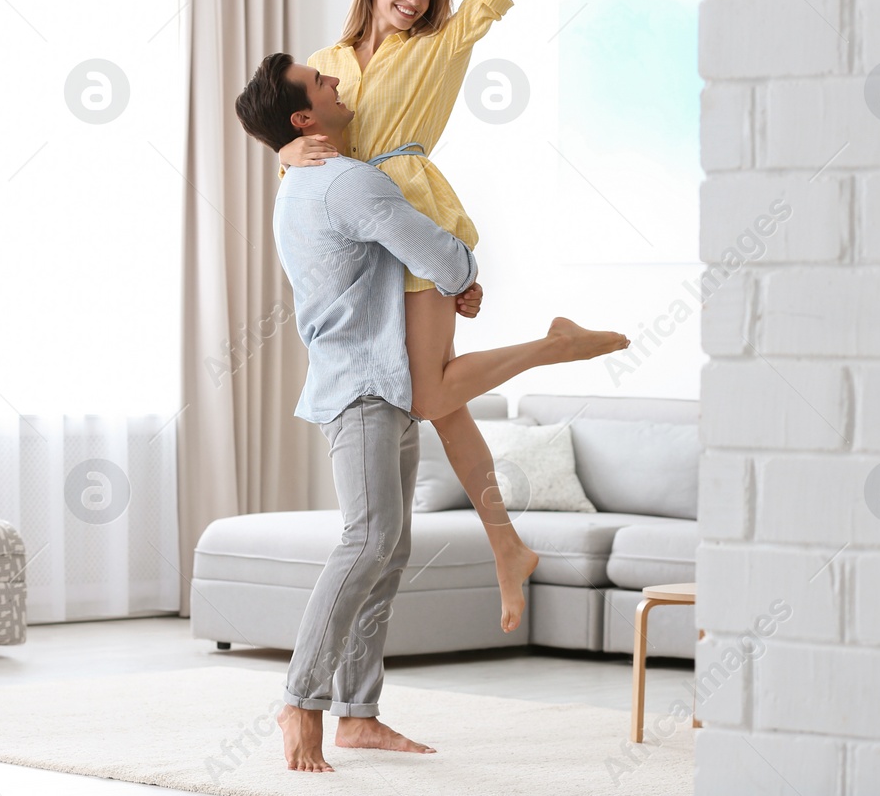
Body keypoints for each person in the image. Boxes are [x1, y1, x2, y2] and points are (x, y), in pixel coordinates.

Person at [236, 52, 628, 773]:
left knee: (389, 548)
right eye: (321, 83)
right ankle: (301, 698)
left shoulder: (298, 177)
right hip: (361, 387)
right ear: (303, 119)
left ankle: (359, 715)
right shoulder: (348, 180)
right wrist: (466, 276)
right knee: (370, 537)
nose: (337, 82)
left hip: (381, 382)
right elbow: (445, 259)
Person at [277, 0, 547, 635]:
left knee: (432, 393)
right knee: (430, 397)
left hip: (415, 220)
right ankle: (507, 543)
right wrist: (289, 147)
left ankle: (506, 539)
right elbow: (286, 130)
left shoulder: (443, 44)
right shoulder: (324, 61)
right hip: (357, 240)